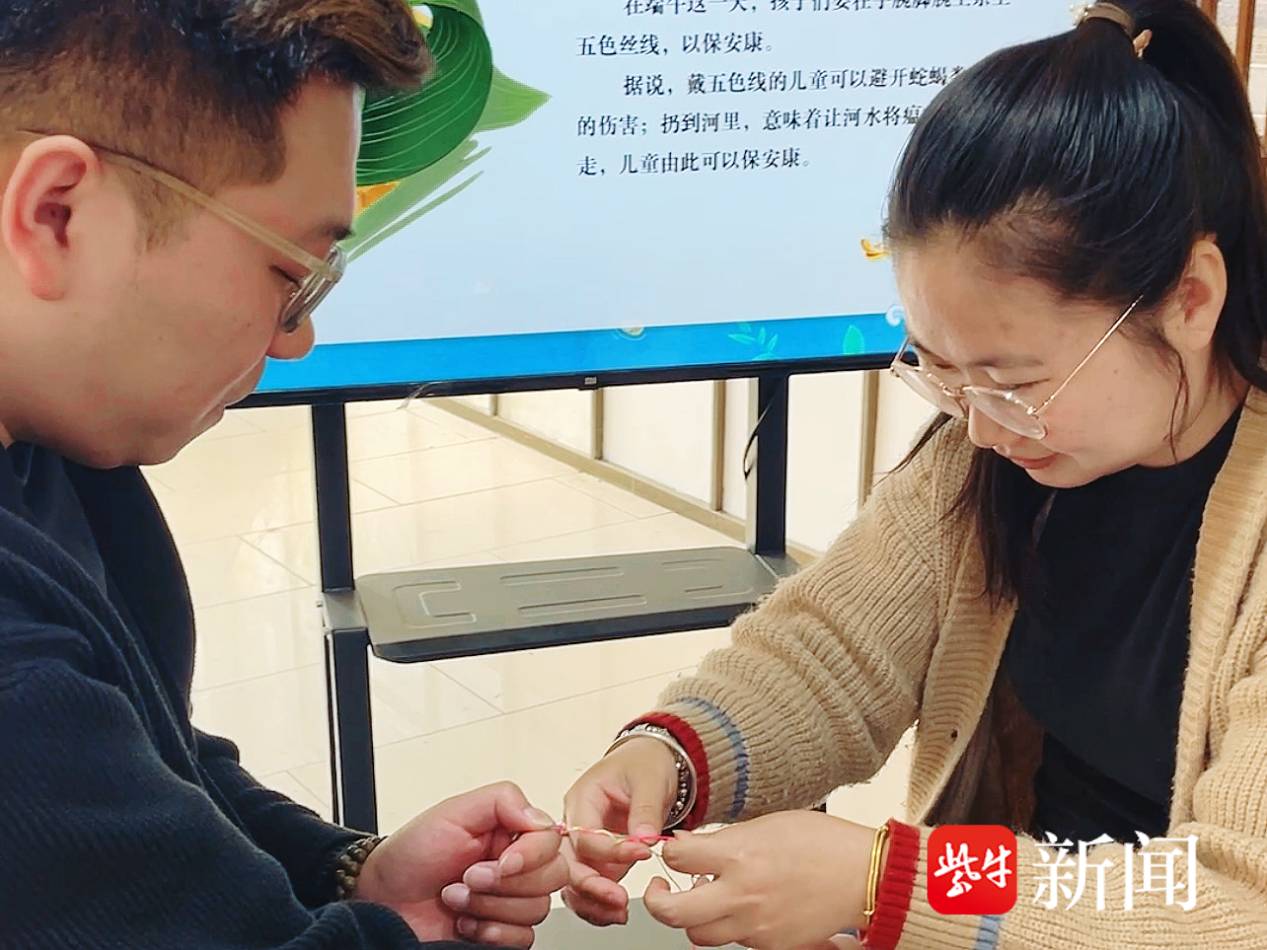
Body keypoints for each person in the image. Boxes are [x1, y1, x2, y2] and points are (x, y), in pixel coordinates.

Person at [561, 2, 1267, 948]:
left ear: (1190, 298)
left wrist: (892, 881)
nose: (976, 425)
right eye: (939, 370)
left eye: (1014, 383)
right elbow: (833, 655)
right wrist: (672, 756)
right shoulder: (994, 460)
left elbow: (1234, 901)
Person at [0, 2, 566, 947]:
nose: (295, 338)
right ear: (57, 214)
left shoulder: (49, 447)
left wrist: (346, 872)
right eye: (292, 271)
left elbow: (148, 762)